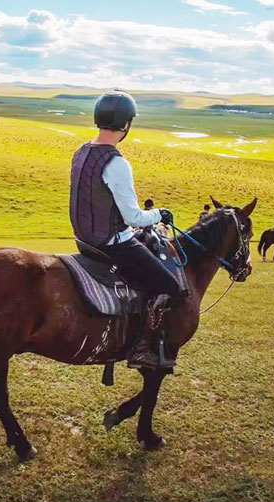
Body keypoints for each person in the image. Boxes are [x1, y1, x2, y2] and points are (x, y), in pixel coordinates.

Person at [69, 89, 186, 370]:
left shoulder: (81, 152)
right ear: (126, 125)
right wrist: (160, 214)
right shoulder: (116, 163)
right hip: (113, 243)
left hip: (84, 241)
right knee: (171, 286)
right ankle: (142, 348)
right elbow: (133, 217)